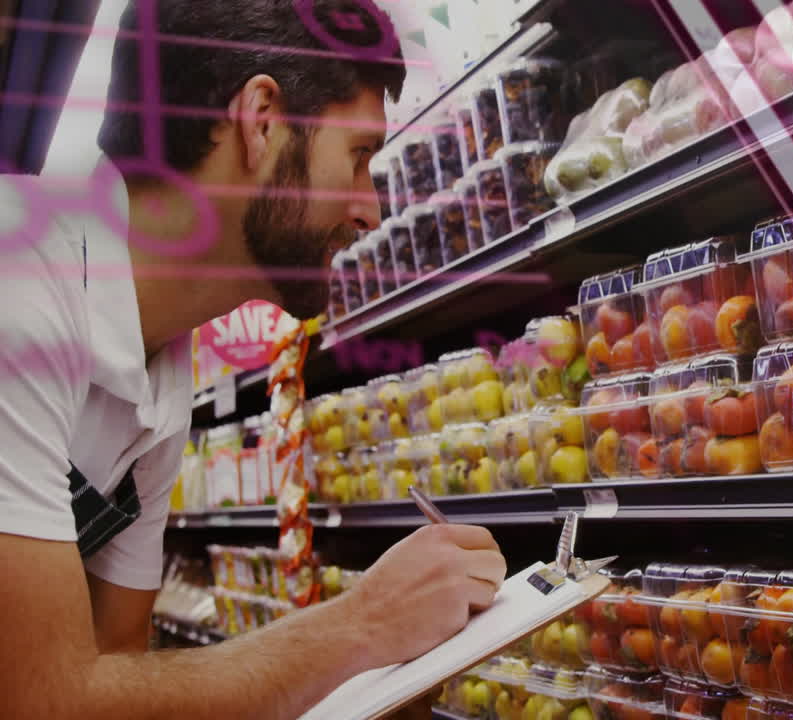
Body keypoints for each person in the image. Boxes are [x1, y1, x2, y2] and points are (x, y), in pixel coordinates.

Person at [0, 1, 506, 718]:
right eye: (358, 156)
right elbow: (39, 700)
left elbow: (116, 661)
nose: (371, 210)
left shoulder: (164, 366)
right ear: (261, 118)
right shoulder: (18, 278)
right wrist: (362, 628)